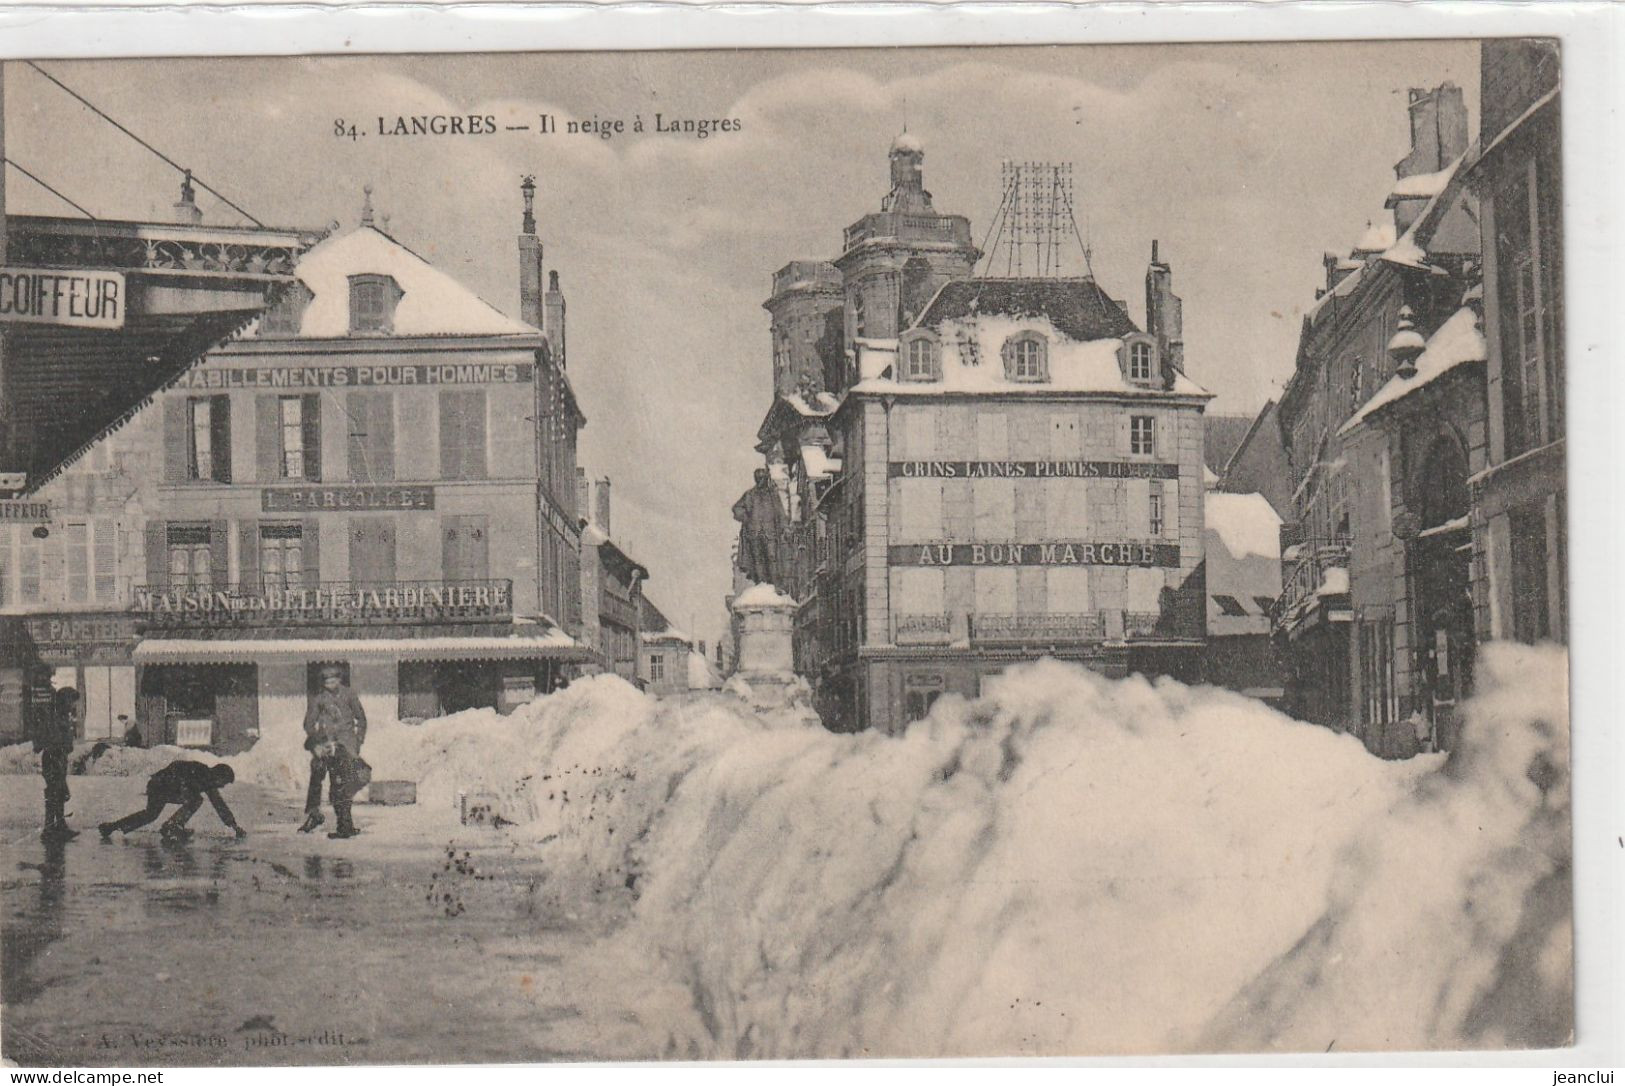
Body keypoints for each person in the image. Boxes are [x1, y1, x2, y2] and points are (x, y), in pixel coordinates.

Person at [98, 759, 247, 841]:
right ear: (218, 776)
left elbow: (219, 804)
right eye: (224, 782)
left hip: (161, 785)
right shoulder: (202, 772)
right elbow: (175, 767)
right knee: (195, 799)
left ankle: (111, 827)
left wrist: (233, 826)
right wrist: (182, 788)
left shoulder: (207, 779)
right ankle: (172, 826)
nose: (222, 786)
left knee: (150, 815)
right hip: (161, 784)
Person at [300, 665, 367, 839]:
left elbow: (361, 719)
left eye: (333, 680)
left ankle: (345, 824)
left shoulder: (349, 695)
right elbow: (308, 723)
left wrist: (358, 740)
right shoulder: (319, 698)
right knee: (316, 773)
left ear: (339, 680)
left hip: (346, 745)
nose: (330, 684)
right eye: (327, 681)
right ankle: (314, 814)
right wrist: (316, 742)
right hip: (326, 744)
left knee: (342, 784)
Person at [35, 687, 80, 841]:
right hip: (54, 759)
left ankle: (58, 827)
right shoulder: (54, 717)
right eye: (72, 701)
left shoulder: (61, 717)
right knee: (55, 793)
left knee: (59, 793)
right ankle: (49, 829)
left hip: (59, 758)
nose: (73, 705)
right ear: (65, 701)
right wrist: (64, 747)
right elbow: (50, 741)